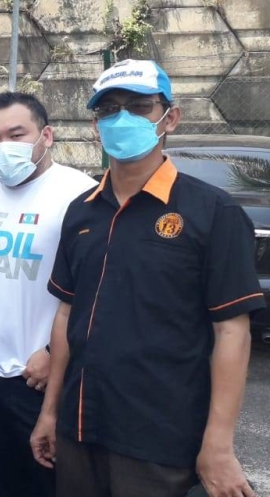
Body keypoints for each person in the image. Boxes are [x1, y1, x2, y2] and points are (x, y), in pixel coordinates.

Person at [29, 60, 262, 497]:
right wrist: (49, 412)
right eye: (109, 110)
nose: (122, 119)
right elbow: (66, 315)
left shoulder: (213, 213)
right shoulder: (82, 212)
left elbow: (232, 331)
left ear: (169, 117)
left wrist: (218, 444)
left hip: (159, 438)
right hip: (80, 427)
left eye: (138, 107)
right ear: (96, 127)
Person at [0, 92, 96, 497]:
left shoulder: (80, 195)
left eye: (17, 134)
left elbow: (97, 290)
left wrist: (54, 355)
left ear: (46, 135)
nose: (3, 148)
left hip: (44, 379)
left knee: (49, 486)